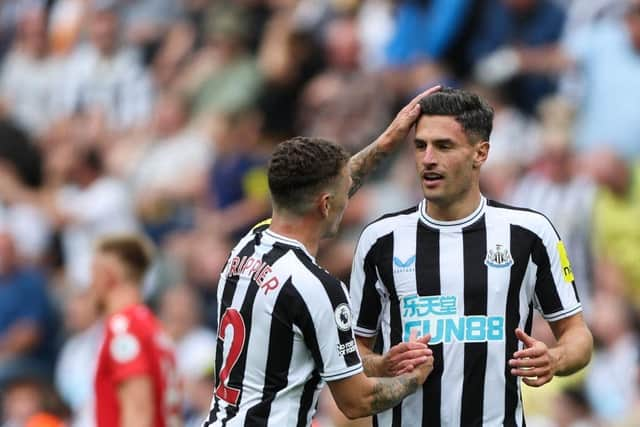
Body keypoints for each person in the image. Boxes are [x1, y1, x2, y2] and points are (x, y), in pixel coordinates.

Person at [350, 87, 593, 426]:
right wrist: (383, 364)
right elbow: (352, 353)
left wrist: (553, 358)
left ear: (480, 153)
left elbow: (578, 336)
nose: (428, 159)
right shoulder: (381, 239)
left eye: (444, 146)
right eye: (420, 146)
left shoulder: (529, 233)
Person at [203, 86, 441, 426]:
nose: (348, 201)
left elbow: (327, 186)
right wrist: (413, 380)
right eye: (343, 195)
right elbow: (358, 401)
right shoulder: (317, 288)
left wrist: (386, 142)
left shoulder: (247, 245)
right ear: (326, 205)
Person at [90, 234, 180, 427]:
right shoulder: (154, 328)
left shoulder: (124, 328)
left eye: (93, 274)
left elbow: (138, 410)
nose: (91, 286)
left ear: (108, 276)